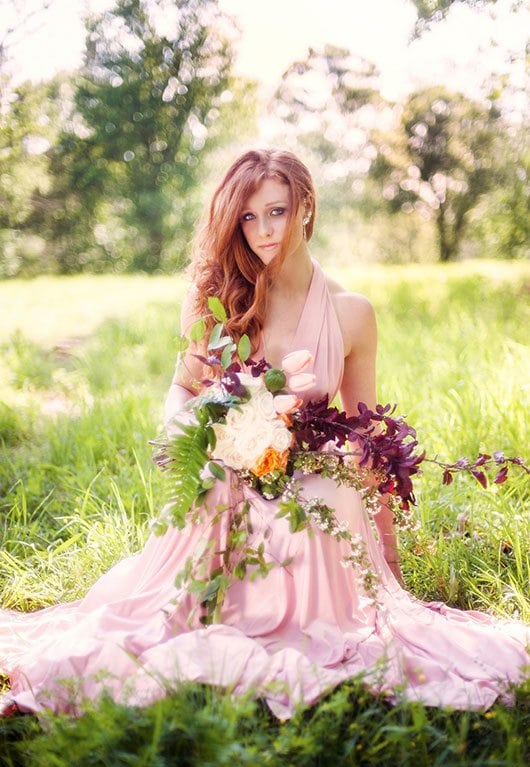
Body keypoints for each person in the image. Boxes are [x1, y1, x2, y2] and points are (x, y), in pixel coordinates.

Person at [1, 148, 528, 721]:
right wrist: (195, 427)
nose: (262, 230)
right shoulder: (217, 298)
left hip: (311, 471)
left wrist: (390, 558)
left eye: (275, 211)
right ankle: (206, 614)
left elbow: (367, 434)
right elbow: (182, 387)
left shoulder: (353, 314)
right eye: (248, 218)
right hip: (232, 463)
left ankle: (318, 623)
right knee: (211, 483)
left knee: (329, 493)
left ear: (306, 206)